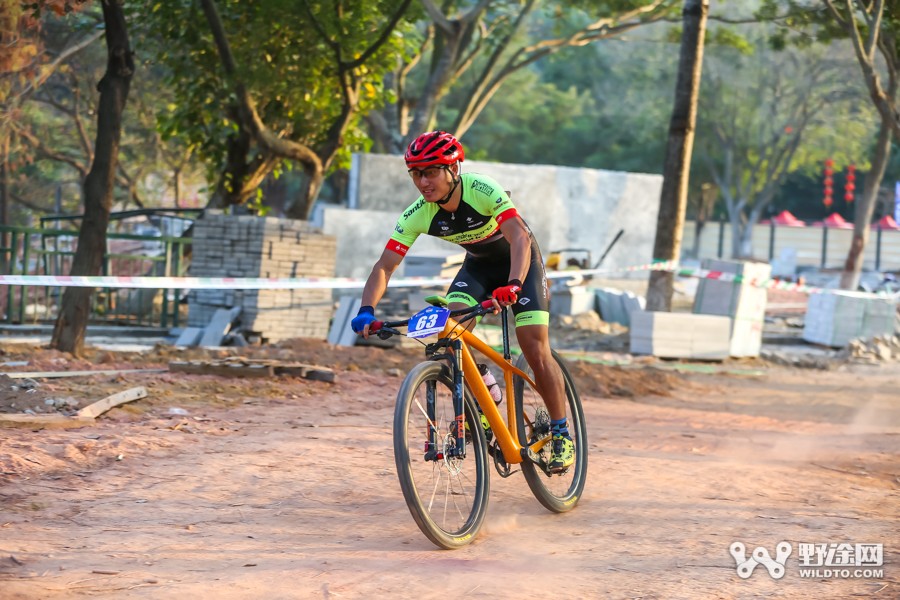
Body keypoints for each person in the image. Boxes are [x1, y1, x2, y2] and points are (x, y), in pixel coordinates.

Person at [350, 130, 574, 473]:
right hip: (479, 269)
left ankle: (561, 434)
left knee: (533, 346)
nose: (423, 182)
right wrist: (366, 311)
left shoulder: (481, 189)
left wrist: (514, 284)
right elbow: (385, 266)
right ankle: (483, 390)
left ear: (453, 168)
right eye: (416, 173)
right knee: (449, 328)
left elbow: (518, 237)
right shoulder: (419, 213)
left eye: (431, 172)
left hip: (521, 262)